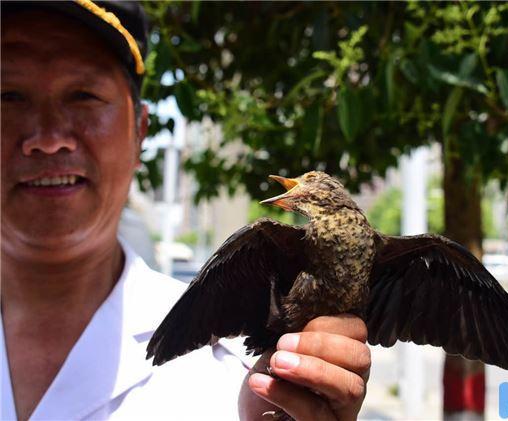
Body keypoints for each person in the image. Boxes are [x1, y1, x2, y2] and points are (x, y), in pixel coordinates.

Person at [0, 1, 370, 420]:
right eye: (9, 95)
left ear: (139, 131)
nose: (48, 139)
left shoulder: (244, 373)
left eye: (83, 95)